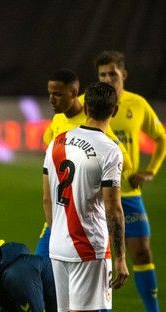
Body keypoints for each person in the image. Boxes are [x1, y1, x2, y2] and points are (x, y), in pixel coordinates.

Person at [43, 81, 129, 312]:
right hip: (88, 246)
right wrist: (120, 258)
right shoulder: (110, 149)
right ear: (115, 110)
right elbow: (113, 209)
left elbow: (48, 191)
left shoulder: (59, 140)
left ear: (85, 106)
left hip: (59, 243)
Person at [92, 51, 166, 312]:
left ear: (124, 74)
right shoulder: (92, 105)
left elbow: (160, 138)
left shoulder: (137, 104)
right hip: (99, 193)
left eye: (112, 73)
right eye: (102, 75)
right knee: (101, 254)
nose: (108, 79)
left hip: (130, 191)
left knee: (141, 251)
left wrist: (150, 171)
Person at [37, 69, 132, 258]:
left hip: (81, 220)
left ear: (74, 94)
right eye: (50, 93)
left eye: (57, 94)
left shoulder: (93, 122)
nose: (51, 99)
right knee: (42, 272)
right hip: (57, 216)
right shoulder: (58, 119)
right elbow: (48, 140)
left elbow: (125, 162)